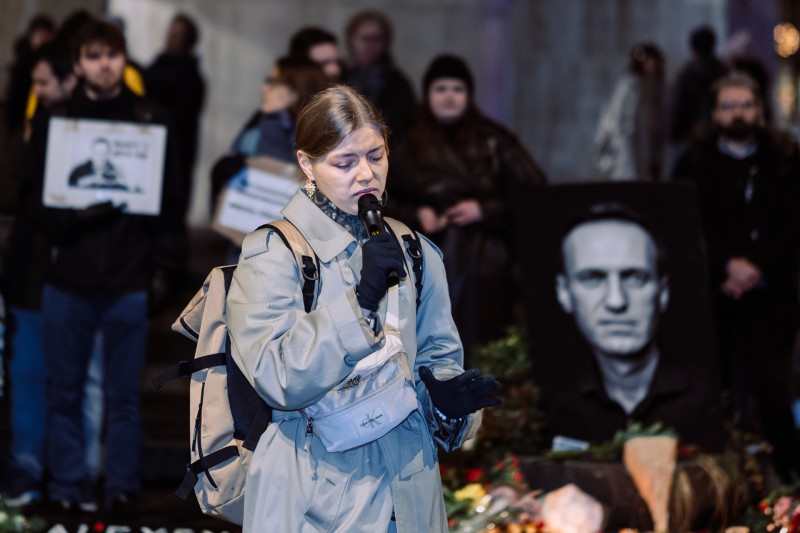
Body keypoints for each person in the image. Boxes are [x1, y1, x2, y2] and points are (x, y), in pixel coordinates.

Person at [227, 85, 500, 531]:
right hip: (311, 499)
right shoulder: (274, 253)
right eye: (345, 162)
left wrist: (448, 405)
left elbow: (437, 362)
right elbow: (277, 378)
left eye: (376, 155)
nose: (366, 174)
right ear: (306, 164)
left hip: (409, 498)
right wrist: (361, 302)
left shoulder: (414, 250)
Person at [23, 19, 185, 515]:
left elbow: (171, 206)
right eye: (93, 56)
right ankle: (68, 488)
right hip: (67, 279)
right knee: (64, 392)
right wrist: (73, 218)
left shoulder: (151, 119)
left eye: (112, 54)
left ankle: (121, 490)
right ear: (77, 65)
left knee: (124, 398)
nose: (105, 65)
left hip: (128, 282)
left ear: (124, 58)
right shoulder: (55, 121)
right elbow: (32, 202)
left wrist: (161, 275)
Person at [672, 72, 800, 481]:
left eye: (745, 105)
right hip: (714, 295)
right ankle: (718, 483)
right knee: (716, 392)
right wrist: (728, 265)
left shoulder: (785, 161)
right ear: (714, 113)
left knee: (774, 393)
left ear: (760, 111)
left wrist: (755, 266)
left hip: (770, 295)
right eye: (728, 106)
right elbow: (684, 225)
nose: (737, 114)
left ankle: (787, 484)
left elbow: (792, 226)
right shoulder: (693, 163)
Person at [388, 54, 547, 363]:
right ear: (427, 94)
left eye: (457, 89)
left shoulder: (494, 140)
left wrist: (485, 210)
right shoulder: (405, 142)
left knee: (480, 345)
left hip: (485, 263)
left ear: (469, 94)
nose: (449, 97)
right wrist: (416, 213)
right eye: (441, 89)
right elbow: (376, 198)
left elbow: (534, 194)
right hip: (421, 258)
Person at [543, 203, 724, 451]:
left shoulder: (716, 400)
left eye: (636, 278)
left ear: (663, 292)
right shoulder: (549, 412)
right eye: (593, 278)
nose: (617, 301)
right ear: (564, 292)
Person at [211, 55, 329, 206]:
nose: (264, 89)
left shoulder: (306, 132)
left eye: (273, 82)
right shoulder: (262, 119)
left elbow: (300, 183)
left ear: (295, 90)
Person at [144, 12, 205, 219]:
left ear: (189, 40)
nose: (171, 37)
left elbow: (181, 118)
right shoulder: (157, 65)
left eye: (178, 34)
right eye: (171, 31)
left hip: (175, 152)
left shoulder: (190, 76)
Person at [592, 43, 666, 181]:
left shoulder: (652, 85)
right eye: (649, 61)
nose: (652, 65)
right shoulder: (629, 85)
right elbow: (621, 122)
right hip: (627, 149)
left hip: (643, 148)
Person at [341, 10, 416, 145]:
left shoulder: (397, 83)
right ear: (351, 40)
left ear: (385, 43)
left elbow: (399, 125)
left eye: (376, 39)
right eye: (365, 38)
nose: (370, 46)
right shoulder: (340, 75)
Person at [669, 25, 728, 148]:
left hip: (691, 139)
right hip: (720, 136)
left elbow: (677, 108)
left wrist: (675, 134)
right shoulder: (724, 72)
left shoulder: (685, 73)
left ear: (693, 48)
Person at [4, 13, 55, 137]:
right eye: (39, 35)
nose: (42, 40)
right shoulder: (24, 58)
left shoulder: (52, 59)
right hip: (20, 108)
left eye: (46, 35)